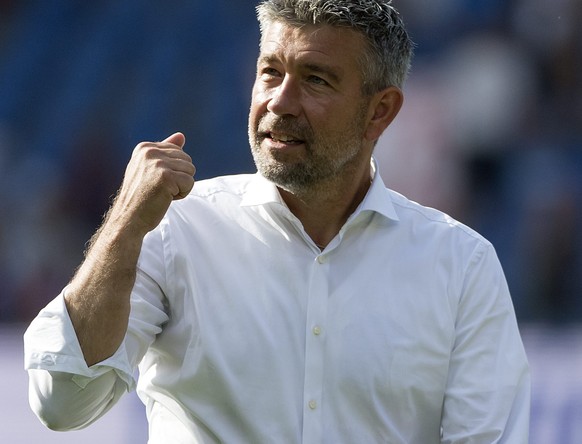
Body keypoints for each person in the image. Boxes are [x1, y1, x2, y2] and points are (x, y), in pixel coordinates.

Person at [24, 0, 530, 442]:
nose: (280, 102)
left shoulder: (461, 266)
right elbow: (61, 402)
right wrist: (124, 224)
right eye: (270, 72)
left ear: (380, 112)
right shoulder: (173, 230)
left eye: (315, 79)